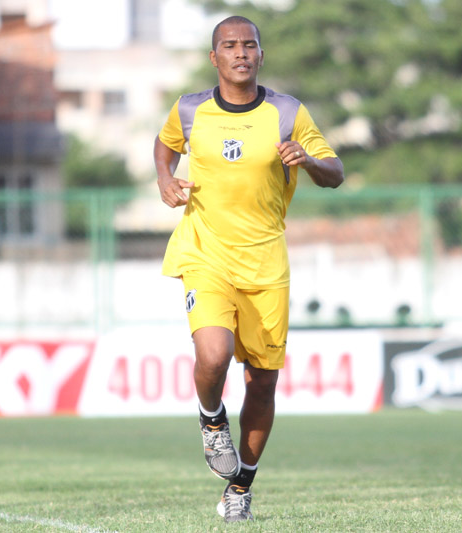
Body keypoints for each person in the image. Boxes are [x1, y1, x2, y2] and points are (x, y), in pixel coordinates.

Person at [154, 15, 344, 523]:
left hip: (265, 265)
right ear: (214, 58)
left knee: (261, 383)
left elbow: (336, 173)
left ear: (261, 55)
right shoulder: (190, 109)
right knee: (212, 356)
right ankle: (212, 420)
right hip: (206, 254)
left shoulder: (287, 113)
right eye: (229, 46)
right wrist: (164, 178)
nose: (241, 53)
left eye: (250, 45)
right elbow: (166, 142)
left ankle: (241, 485)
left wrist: (307, 159)